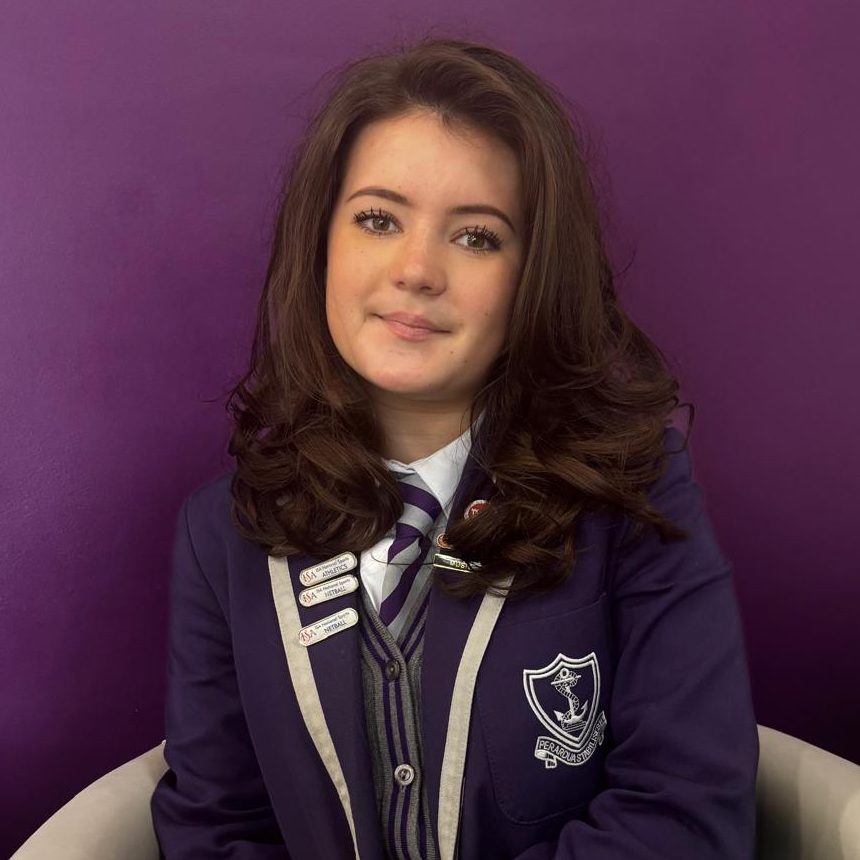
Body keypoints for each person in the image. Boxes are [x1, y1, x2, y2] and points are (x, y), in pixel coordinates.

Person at [150, 35, 759, 860]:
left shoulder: (637, 491)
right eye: (378, 219)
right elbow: (215, 827)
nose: (416, 270)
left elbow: (684, 817)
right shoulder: (221, 535)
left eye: (476, 237)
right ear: (321, 242)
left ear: (533, 278)